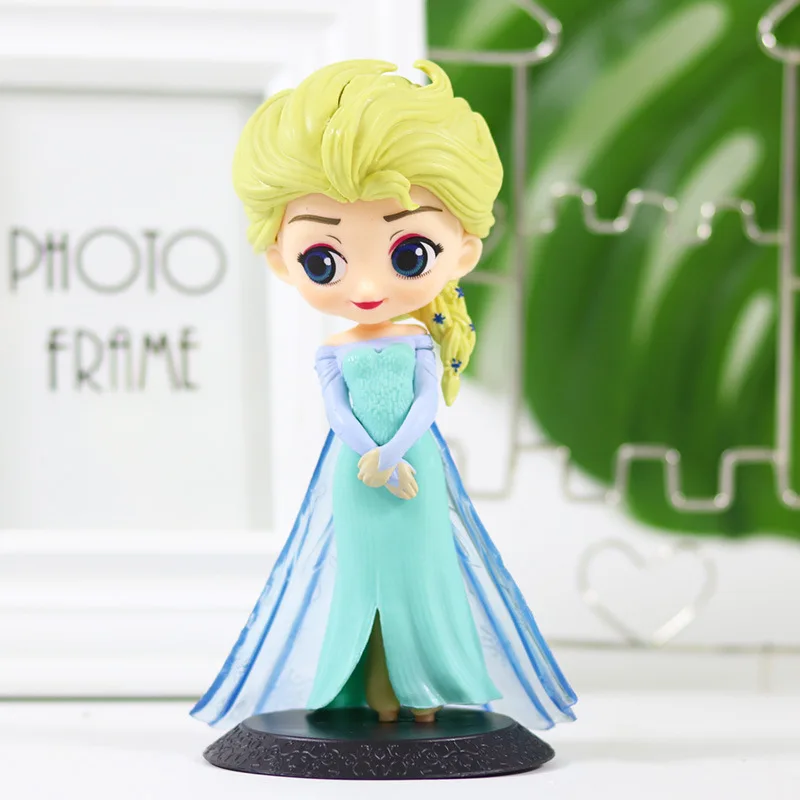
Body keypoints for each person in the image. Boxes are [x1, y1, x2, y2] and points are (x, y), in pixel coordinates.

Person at [191, 59, 576, 730]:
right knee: (359, 578)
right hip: (356, 472)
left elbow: (425, 405)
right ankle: (370, 689)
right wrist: (370, 455)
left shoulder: (418, 344)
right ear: (282, 259)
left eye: (407, 254)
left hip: (410, 467)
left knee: (420, 574)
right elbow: (336, 412)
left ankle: (423, 683)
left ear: (462, 252)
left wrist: (392, 452)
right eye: (324, 260)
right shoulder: (334, 352)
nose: (366, 285)